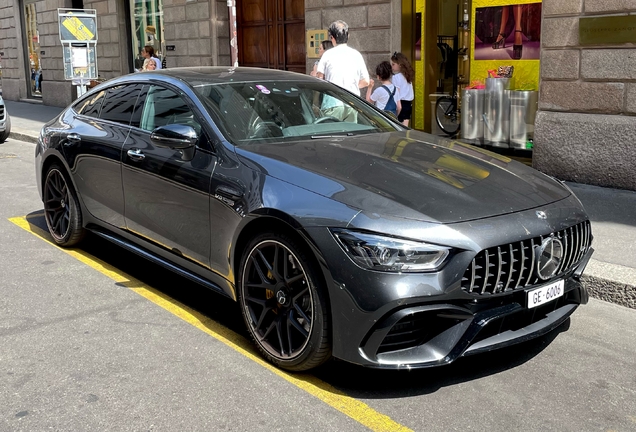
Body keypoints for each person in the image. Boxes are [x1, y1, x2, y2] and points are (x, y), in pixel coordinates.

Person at [316, 20, 370, 96]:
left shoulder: (327, 54)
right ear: (348, 36)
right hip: (352, 101)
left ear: (332, 38)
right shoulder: (357, 55)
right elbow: (366, 81)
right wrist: (350, 88)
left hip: (332, 100)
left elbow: (319, 78)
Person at [390, 52, 414, 126]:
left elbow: (397, 93)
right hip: (408, 103)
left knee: (398, 126)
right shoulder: (408, 76)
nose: (392, 67)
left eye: (393, 64)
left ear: (400, 65)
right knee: (405, 126)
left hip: (400, 103)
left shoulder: (396, 77)